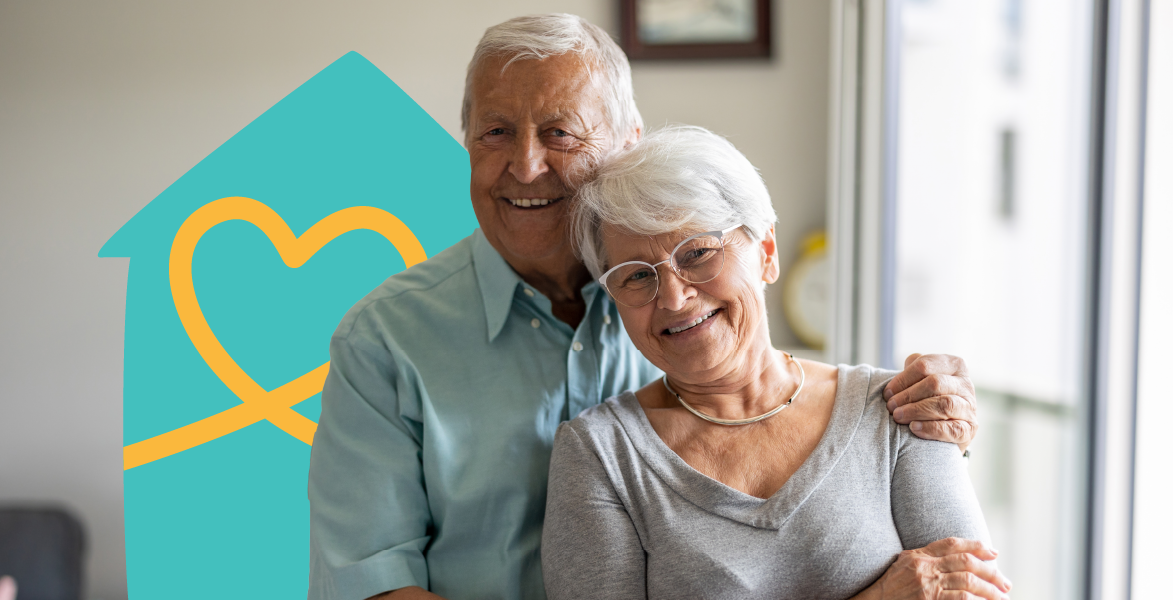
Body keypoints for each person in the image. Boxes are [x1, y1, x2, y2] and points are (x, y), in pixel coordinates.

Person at [308, 14, 982, 600]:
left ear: (627, 143)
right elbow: (368, 587)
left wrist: (932, 424)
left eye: (561, 132)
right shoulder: (385, 340)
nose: (525, 164)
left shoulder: (713, 335)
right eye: (494, 132)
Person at [542, 125, 1007, 600]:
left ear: (766, 251)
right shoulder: (600, 455)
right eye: (638, 275)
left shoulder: (897, 408)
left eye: (698, 252)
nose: (676, 298)